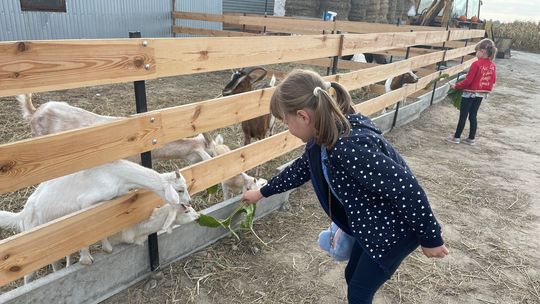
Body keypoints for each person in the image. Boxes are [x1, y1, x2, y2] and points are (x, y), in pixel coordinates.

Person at [242, 69, 449, 303]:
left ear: (303, 116)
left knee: (359, 290)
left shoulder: (347, 147)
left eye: (285, 121)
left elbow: (406, 188)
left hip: (394, 230)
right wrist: (262, 192)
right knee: (353, 276)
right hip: (371, 225)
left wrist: (431, 238)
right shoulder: (323, 138)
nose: (287, 128)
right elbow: (302, 168)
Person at [446, 38, 497, 145]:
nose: (476, 53)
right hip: (480, 94)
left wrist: (456, 86)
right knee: (473, 115)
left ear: (482, 51)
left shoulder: (476, 64)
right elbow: (493, 80)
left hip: (469, 93)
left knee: (463, 115)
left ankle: (456, 137)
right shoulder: (492, 65)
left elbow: (468, 81)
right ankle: (471, 138)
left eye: (477, 51)